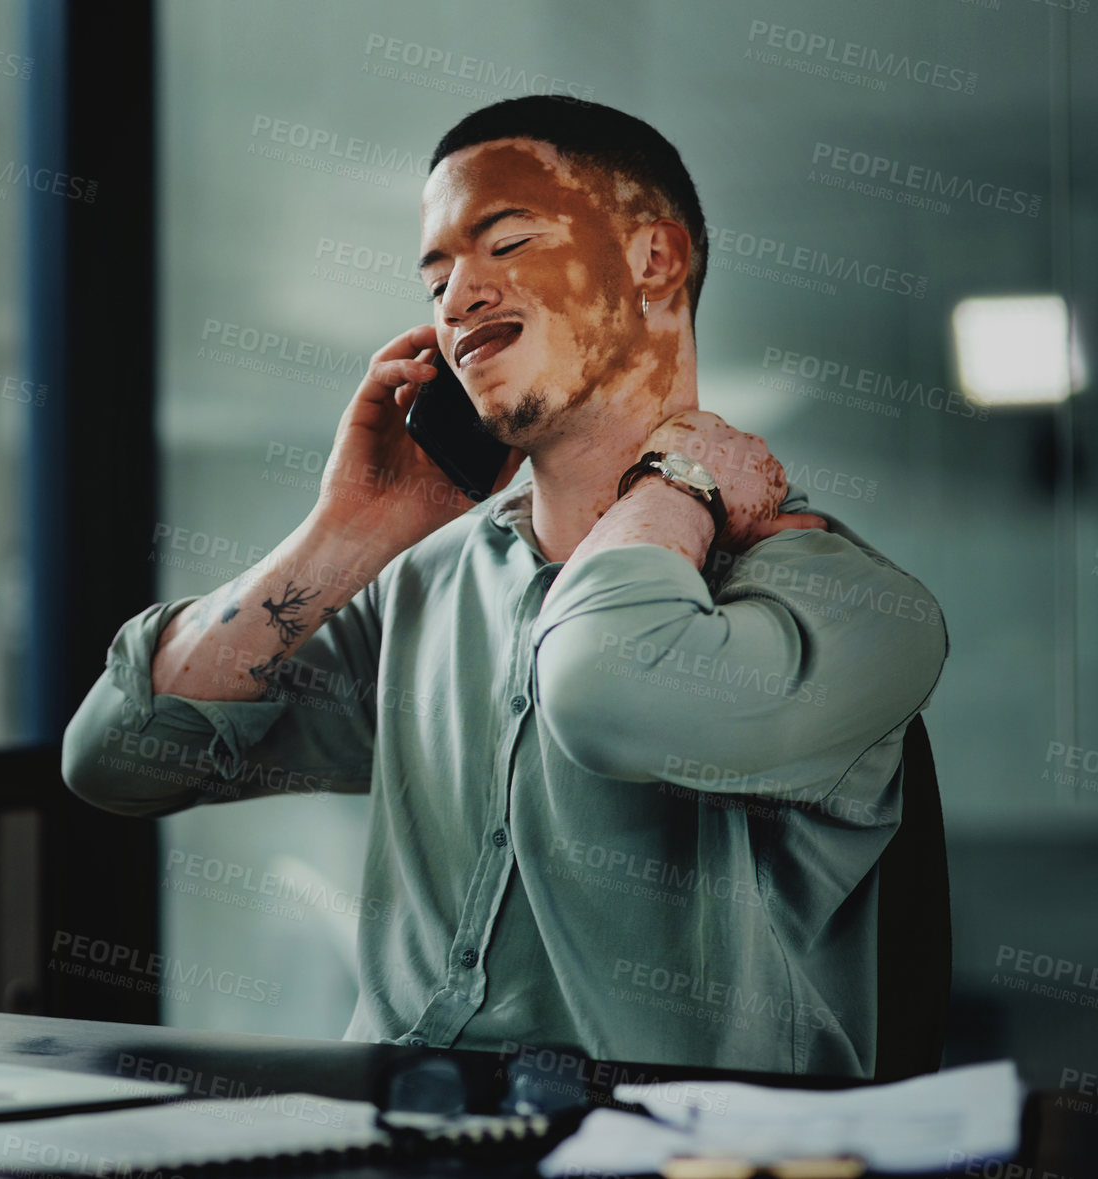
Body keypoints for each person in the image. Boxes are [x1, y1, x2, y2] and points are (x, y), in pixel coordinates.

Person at [60, 96, 947, 1077]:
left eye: (507, 242)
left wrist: (680, 480)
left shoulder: (855, 607)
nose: (457, 296)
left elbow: (605, 689)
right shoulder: (420, 593)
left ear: (657, 259)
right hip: (387, 1140)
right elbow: (115, 759)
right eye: (436, 274)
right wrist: (349, 530)